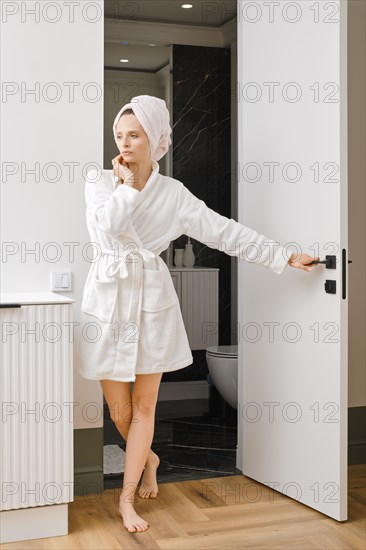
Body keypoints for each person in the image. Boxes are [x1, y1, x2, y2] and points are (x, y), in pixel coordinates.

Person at [79, 95, 320, 533]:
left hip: (151, 297)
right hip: (108, 298)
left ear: (155, 140)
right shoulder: (99, 181)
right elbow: (111, 228)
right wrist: (127, 187)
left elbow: (225, 231)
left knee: (145, 406)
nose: (125, 143)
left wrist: (282, 256)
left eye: (135, 135)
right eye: (119, 135)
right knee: (119, 409)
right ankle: (149, 456)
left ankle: (127, 498)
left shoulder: (174, 194)